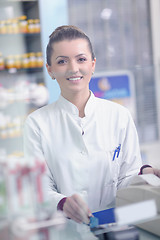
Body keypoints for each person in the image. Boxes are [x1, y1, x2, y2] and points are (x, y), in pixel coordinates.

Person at [24, 25, 160, 225]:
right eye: (62, 61)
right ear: (50, 70)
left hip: (118, 222)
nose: (73, 68)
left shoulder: (119, 115)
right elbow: (38, 188)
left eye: (81, 59)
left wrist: (145, 173)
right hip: (67, 228)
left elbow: (126, 178)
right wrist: (62, 202)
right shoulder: (37, 123)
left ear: (93, 64)